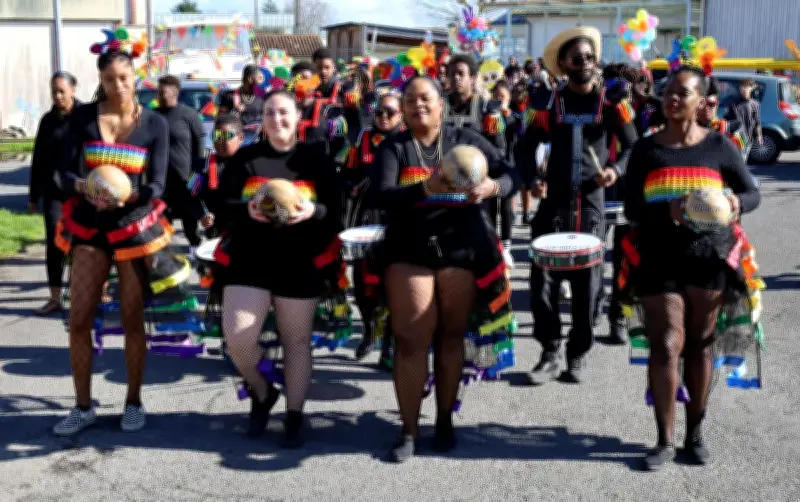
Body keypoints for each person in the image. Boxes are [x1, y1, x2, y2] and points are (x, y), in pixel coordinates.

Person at [372, 76, 519, 463]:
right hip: (408, 250)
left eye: (425, 98)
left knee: (451, 337)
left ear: (441, 103)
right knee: (411, 337)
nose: (417, 105)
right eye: (409, 100)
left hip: (462, 249)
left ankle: (444, 421)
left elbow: (512, 175)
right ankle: (408, 429)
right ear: (401, 109)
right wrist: (423, 189)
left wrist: (492, 188)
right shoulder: (394, 147)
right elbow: (381, 196)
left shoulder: (466, 140)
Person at [624, 66, 760, 470]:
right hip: (657, 258)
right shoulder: (647, 151)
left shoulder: (720, 146)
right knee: (667, 343)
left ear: (702, 101)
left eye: (682, 93)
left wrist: (736, 203)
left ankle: (694, 433)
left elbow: (752, 192)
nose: (672, 99)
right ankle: (664, 440)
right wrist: (666, 210)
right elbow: (631, 208)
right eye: (667, 92)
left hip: (710, 258)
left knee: (700, 345)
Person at [215, 90, 343, 447]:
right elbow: (221, 203)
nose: (276, 120)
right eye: (270, 113)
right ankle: (261, 391)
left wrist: (311, 213)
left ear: (298, 116)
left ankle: (295, 415)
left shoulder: (316, 159)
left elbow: (336, 211)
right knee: (238, 336)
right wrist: (246, 211)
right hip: (249, 258)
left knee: (296, 342)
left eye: (284, 113)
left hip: (300, 260)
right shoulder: (246, 158)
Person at [52, 48, 170, 436]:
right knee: (78, 320)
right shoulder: (84, 118)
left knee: (133, 320)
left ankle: (133, 401)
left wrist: (128, 197)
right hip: (89, 228)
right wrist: (85, 185)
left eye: (123, 77)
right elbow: (64, 174)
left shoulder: (154, 124)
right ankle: (83, 406)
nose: (117, 85)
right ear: (100, 81)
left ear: (135, 75)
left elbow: (156, 184)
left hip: (133, 228)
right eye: (108, 79)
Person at [515, 27, 638, 385]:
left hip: (592, 206)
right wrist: (530, 179)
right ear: (564, 66)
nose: (584, 63)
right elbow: (524, 148)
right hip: (552, 206)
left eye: (588, 57)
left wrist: (615, 170)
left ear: (595, 61)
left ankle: (578, 354)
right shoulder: (546, 105)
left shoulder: (613, 105)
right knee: (543, 282)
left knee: (589, 285)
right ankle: (549, 352)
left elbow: (634, 148)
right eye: (575, 59)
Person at [344, 90, 404, 365]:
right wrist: (352, 185)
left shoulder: (408, 139)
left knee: (393, 284)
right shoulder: (363, 138)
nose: (383, 117)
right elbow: (348, 171)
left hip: (397, 221)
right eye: (379, 111)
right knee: (362, 282)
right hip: (366, 219)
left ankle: (390, 344)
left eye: (390, 112)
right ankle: (369, 330)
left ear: (401, 114)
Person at [28, 71, 80, 315]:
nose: (58, 96)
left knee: (85, 243)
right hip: (54, 192)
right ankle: (55, 297)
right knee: (55, 242)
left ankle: (92, 292)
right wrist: (33, 195)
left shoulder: (86, 116)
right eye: (54, 92)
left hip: (83, 192)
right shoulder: (48, 120)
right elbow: (38, 159)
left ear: (73, 90)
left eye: (62, 91)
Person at [155, 75, 206, 258]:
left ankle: (194, 245)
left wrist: (198, 172)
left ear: (174, 93)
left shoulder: (189, 114)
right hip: (161, 177)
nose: (158, 95)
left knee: (189, 214)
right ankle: (165, 252)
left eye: (162, 92)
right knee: (162, 214)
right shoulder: (154, 115)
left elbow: (200, 140)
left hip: (186, 176)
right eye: (157, 92)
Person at [487, 80, 516, 266]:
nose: (499, 99)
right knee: (490, 208)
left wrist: (505, 113)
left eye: (502, 97)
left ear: (509, 98)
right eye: (496, 96)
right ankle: (491, 245)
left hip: (509, 167)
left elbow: (517, 133)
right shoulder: (488, 116)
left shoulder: (513, 117)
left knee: (506, 209)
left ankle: (506, 248)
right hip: (490, 168)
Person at [724, 78, 763, 152]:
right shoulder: (732, 104)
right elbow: (727, 121)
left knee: (743, 161)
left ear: (752, 88)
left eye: (747, 86)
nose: (744, 89)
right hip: (735, 139)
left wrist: (759, 136)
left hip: (747, 139)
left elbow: (757, 122)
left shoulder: (755, 104)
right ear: (739, 88)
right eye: (742, 87)